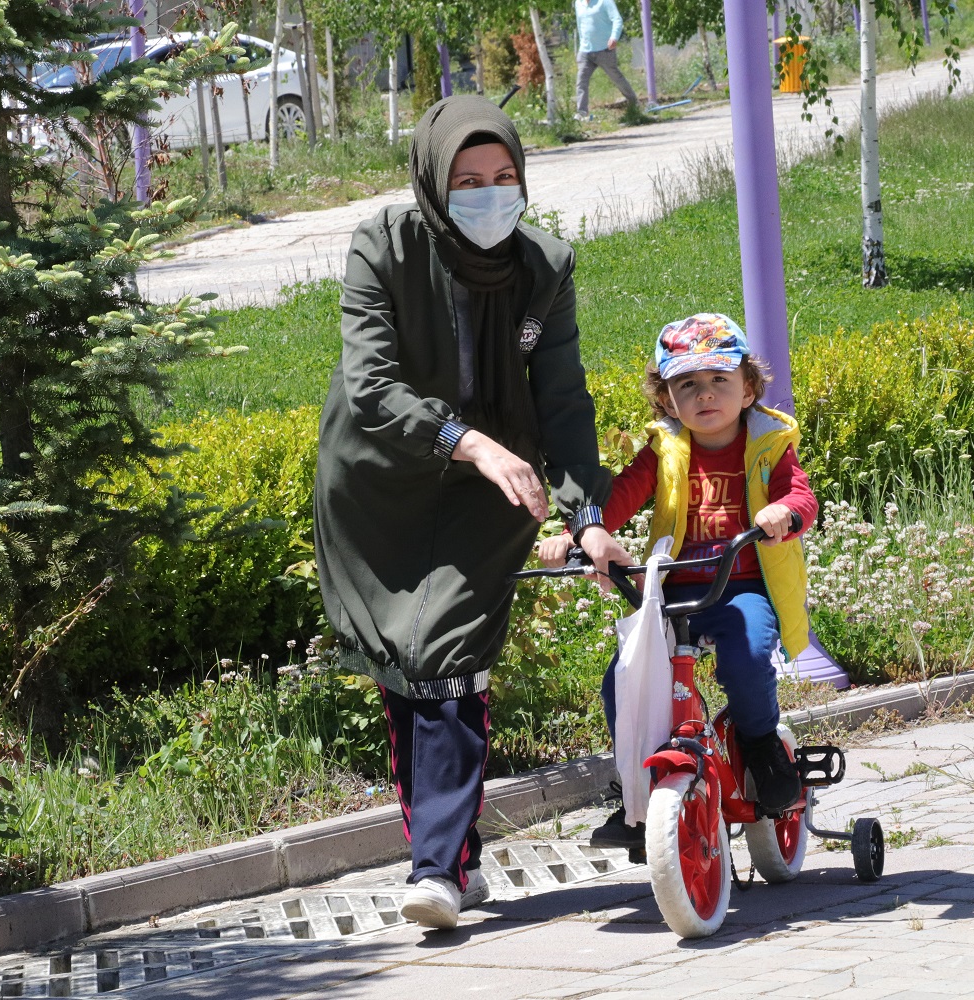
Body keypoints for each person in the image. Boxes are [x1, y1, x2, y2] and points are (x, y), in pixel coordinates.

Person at [314, 94, 631, 931]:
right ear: (430, 181)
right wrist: (469, 441)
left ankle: (435, 871)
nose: (490, 195)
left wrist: (586, 515)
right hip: (382, 481)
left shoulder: (545, 268)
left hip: (496, 484)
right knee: (404, 662)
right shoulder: (380, 245)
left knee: (447, 651)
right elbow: (372, 385)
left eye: (504, 177)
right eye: (467, 181)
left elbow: (563, 407)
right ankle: (456, 854)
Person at [537, 314, 818, 849]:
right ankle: (636, 791)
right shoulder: (663, 452)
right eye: (687, 384)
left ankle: (760, 743)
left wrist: (784, 511)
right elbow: (620, 496)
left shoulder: (769, 445)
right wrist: (580, 535)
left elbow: (801, 496)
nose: (704, 395)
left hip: (743, 586)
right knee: (626, 677)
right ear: (667, 400)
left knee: (749, 653)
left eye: (719, 380)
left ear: (749, 389)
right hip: (672, 593)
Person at [574, 0, 641, 121]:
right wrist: (580, 45)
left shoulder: (604, 2)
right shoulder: (578, 3)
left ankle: (634, 103)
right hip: (585, 50)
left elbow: (617, 19)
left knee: (616, 78)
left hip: (604, 49)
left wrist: (614, 37)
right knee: (581, 81)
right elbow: (580, 25)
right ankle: (581, 112)